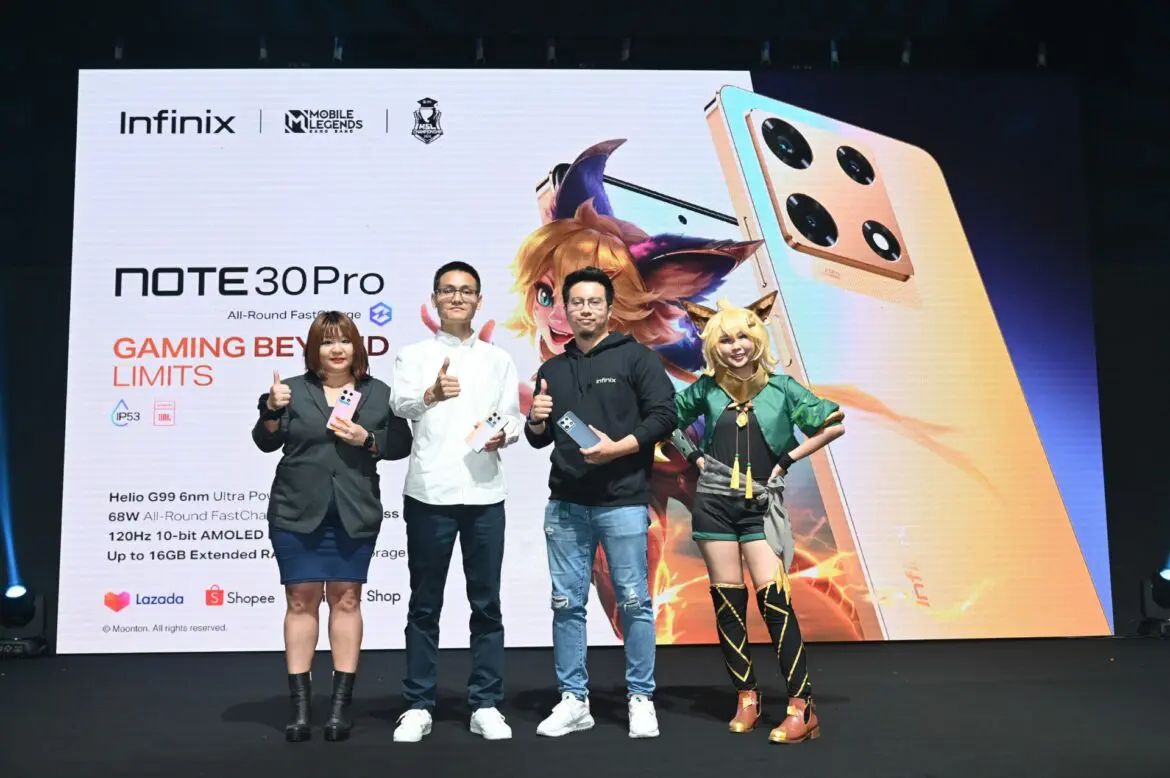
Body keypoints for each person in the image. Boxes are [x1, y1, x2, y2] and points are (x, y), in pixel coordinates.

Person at [669, 294, 845, 744]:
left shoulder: (782, 388)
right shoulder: (707, 389)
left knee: (775, 603)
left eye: (743, 337)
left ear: (758, 338)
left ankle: (802, 707)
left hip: (760, 506)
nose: (736, 347)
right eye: (726, 340)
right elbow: (665, 418)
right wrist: (694, 456)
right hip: (713, 502)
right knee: (728, 604)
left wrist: (786, 460)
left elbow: (833, 423)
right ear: (713, 345)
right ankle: (747, 697)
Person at [524, 265, 678, 739]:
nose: (585, 309)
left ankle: (641, 698)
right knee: (566, 604)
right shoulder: (552, 369)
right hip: (566, 504)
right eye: (577, 302)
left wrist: (620, 448)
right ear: (566, 309)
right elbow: (539, 438)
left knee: (634, 602)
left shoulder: (637, 358)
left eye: (594, 302)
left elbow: (665, 415)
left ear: (609, 308)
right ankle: (574, 700)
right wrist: (535, 419)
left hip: (623, 502)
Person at [252, 311, 412, 743]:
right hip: (296, 510)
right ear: (314, 350)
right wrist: (271, 409)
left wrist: (367, 440)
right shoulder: (291, 390)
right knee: (300, 601)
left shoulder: (378, 393)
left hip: (353, 511)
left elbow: (401, 443)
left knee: (347, 599)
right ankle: (301, 710)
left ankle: (340, 709)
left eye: (344, 341)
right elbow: (266, 440)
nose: (336, 349)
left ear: (357, 347)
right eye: (326, 342)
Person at [389, 261, 523, 742]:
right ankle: (418, 704)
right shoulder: (413, 355)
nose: (457, 298)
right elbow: (400, 405)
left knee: (486, 604)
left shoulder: (498, 359)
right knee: (424, 604)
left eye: (466, 291)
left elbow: (512, 417)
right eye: (448, 290)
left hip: (485, 494)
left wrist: (503, 435)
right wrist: (430, 393)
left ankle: (485, 703)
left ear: (479, 300)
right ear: (434, 299)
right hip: (430, 492)